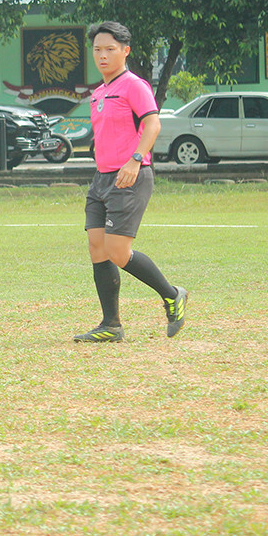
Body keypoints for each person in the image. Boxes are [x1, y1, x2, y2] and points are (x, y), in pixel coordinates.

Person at [74, 21, 187, 343]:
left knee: (117, 250)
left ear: (126, 51)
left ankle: (171, 294)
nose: (103, 55)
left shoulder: (134, 85)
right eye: (97, 49)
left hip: (131, 175)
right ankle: (111, 325)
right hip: (102, 179)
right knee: (97, 247)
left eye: (110, 49)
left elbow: (152, 124)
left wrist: (135, 159)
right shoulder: (99, 92)